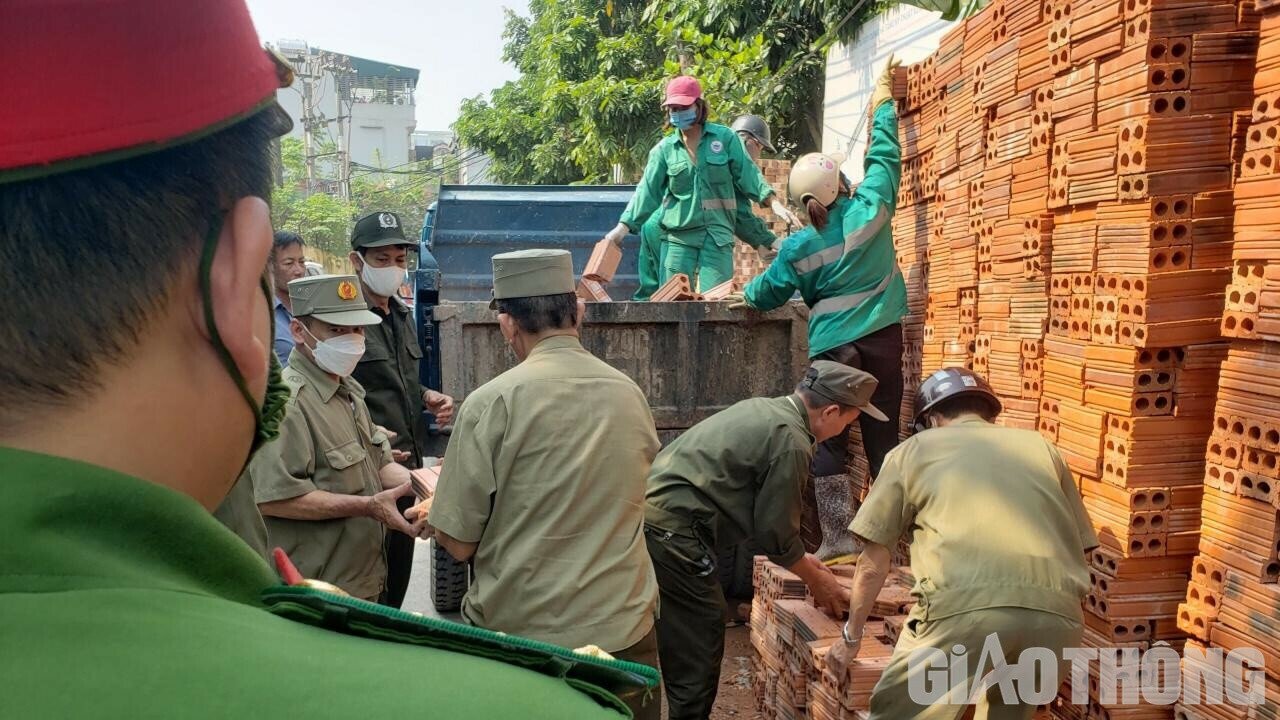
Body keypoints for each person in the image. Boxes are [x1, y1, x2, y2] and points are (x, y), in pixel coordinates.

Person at [0, 1, 629, 717]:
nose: (356, 340)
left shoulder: (353, 385)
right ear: (243, 279)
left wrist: (412, 477)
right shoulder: (530, 705)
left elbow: (377, 451)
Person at [427, 249, 662, 720]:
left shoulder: (491, 403)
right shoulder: (629, 393)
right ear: (578, 312)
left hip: (521, 643)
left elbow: (457, 541)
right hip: (623, 633)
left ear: (507, 324)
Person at [825, 368, 1097, 720]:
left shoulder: (913, 451)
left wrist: (851, 638)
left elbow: (873, 562)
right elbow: (1082, 545)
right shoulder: (1042, 448)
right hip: (1056, 618)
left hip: (962, 613)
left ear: (931, 420)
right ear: (988, 413)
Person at [730, 57, 907, 554]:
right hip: (883, 342)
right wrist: (883, 105)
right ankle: (887, 540)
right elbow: (885, 158)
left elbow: (768, 293)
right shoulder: (872, 209)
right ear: (841, 185)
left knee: (827, 437)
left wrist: (746, 297)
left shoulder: (798, 246)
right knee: (882, 437)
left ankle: (836, 538)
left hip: (832, 349)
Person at [644, 360, 888, 719]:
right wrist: (816, 579)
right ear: (830, 412)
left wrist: (802, 558)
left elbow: (774, 527)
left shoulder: (766, 409)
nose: (844, 430)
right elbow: (775, 534)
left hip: (660, 516)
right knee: (701, 630)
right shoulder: (792, 441)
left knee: (684, 622)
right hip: (675, 529)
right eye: (848, 422)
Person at [251, 274, 424, 602]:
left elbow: (381, 466)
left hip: (364, 579)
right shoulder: (289, 405)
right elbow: (273, 498)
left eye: (357, 329)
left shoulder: (349, 391)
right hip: (318, 591)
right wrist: (368, 507)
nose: (352, 340)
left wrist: (427, 486)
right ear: (299, 331)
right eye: (336, 330)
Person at [603, 76, 801, 295]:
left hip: (717, 238)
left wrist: (773, 204)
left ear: (698, 106)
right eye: (674, 109)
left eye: (684, 107)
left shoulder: (725, 139)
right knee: (672, 300)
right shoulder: (664, 150)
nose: (678, 113)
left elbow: (748, 176)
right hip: (678, 238)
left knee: (715, 301)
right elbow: (647, 192)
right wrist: (622, 228)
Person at [347, 210, 455, 609]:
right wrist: (370, 445)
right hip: (366, 473)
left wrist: (426, 395)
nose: (394, 268)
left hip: (408, 470)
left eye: (399, 259)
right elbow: (336, 393)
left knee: (397, 579)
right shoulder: (345, 321)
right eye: (382, 260)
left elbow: (398, 379)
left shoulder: (400, 313)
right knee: (366, 588)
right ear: (356, 261)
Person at [632, 112, 785, 301]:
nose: (758, 155)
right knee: (675, 296)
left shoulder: (716, 153)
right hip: (670, 228)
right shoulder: (726, 164)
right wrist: (770, 241)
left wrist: (762, 243)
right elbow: (740, 216)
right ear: (747, 142)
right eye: (759, 147)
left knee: (655, 295)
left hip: (657, 223)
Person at [270, 230, 308, 366]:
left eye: (301, 262)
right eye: (288, 263)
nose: (299, 271)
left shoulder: (313, 306)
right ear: (270, 266)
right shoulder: (262, 314)